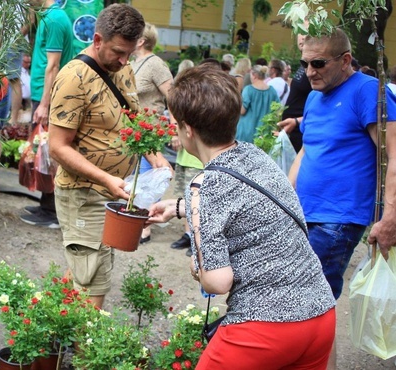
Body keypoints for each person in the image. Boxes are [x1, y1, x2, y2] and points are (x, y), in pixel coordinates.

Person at [148, 64, 336, 369]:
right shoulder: (254, 155)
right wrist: (181, 207)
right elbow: (247, 203)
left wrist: (198, 263)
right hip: (319, 314)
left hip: (267, 326)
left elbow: (218, 281)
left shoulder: (204, 185)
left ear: (188, 129)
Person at [48, 3, 169, 309]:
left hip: (114, 192)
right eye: (118, 51)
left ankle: (47, 327)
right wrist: (106, 178)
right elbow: (58, 147)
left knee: (83, 270)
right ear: (98, 40)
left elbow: (135, 122)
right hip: (83, 194)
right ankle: (87, 354)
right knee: (94, 279)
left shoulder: (124, 69)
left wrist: (156, 157)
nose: (124, 60)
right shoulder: (73, 77)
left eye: (129, 52)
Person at [288, 28, 396, 369]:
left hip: (339, 218)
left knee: (306, 296)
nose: (310, 72)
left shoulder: (368, 92)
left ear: (345, 59)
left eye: (318, 63)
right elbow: (307, 151)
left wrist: (390, 216)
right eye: (304, 63)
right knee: (313, 301)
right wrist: (283, 202)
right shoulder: (314, 96)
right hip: (306, 212)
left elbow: (394, 153)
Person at [20, 0, 74, 228]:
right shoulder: (47, 16)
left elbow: (54, 66)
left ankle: (53, 211)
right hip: (43, 93)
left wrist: (45, 104)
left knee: (50, 153)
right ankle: (46, 204)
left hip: (49, 96)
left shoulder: (53, 19)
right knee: (42, 151)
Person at [130, 22, 174, 243]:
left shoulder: (156, 64)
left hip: (151, 131)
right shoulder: (133, 62)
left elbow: (173, 96)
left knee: (147, 177)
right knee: (135, 178)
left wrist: (175, 130)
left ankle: (144, 226)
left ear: (141, 40)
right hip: (134, 130)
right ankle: (134, 218)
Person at [170, 61, 203, 253]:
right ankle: (188, 234)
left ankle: (196, 238)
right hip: (183, 157)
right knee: (185, 196)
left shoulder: (199, 103)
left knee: (195, 199)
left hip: (195, 160)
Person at [276, 33, 311, 152]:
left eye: (306, 33)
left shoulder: (316, 69)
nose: (302, 37)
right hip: (291, 129)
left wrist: (297, 121)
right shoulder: (303, 64)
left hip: (301, 131)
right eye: (300, 33)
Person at [235, 65, 279, 143]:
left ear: (254, 75)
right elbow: (278, 111)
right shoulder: (272, 91)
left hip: (246, 132)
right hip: (264, 133)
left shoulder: (248, 89)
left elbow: (242, 111)